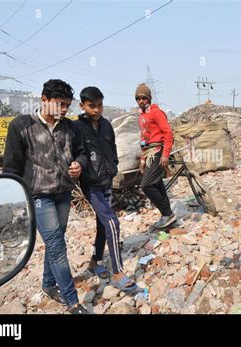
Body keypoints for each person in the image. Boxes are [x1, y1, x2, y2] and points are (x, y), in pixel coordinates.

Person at [3, 79, 89, 314]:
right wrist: (17, 202)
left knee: (55, 242)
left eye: (67, 106)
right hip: (39, 196)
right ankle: (72, 302)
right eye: (59, 104)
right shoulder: (21, 126)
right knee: (57, 246)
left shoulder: (70, 128)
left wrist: (78, 165)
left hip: (63, 193)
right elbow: (11, 168)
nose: (63, 110)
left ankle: (48, 284)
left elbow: (82, 153)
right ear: (43, 100)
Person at [74, 86, 138, 293]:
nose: (97, 110)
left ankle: (94, 262)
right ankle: (118, 272)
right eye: (92, 106)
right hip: (91, 184)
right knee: (112, 221)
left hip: (107, 180)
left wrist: (114, 165)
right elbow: (76, 153)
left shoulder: (106, 125)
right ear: (82, 105)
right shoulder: (77, 128)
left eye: (100, 105)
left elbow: (112, 148)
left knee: (103, 224)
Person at [136, 83, 176, 229]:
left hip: (158, 150)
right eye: (138, 98)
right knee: (157, 184)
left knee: (146, 185)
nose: (141, 101)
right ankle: (169, 216)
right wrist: (142, 158)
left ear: (149, 98)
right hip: (148, 152)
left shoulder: (156, 112)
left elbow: (168, 132)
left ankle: (167, 213)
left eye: (143, 98)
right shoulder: (142, 116)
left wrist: (165, 154)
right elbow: (143, 138)